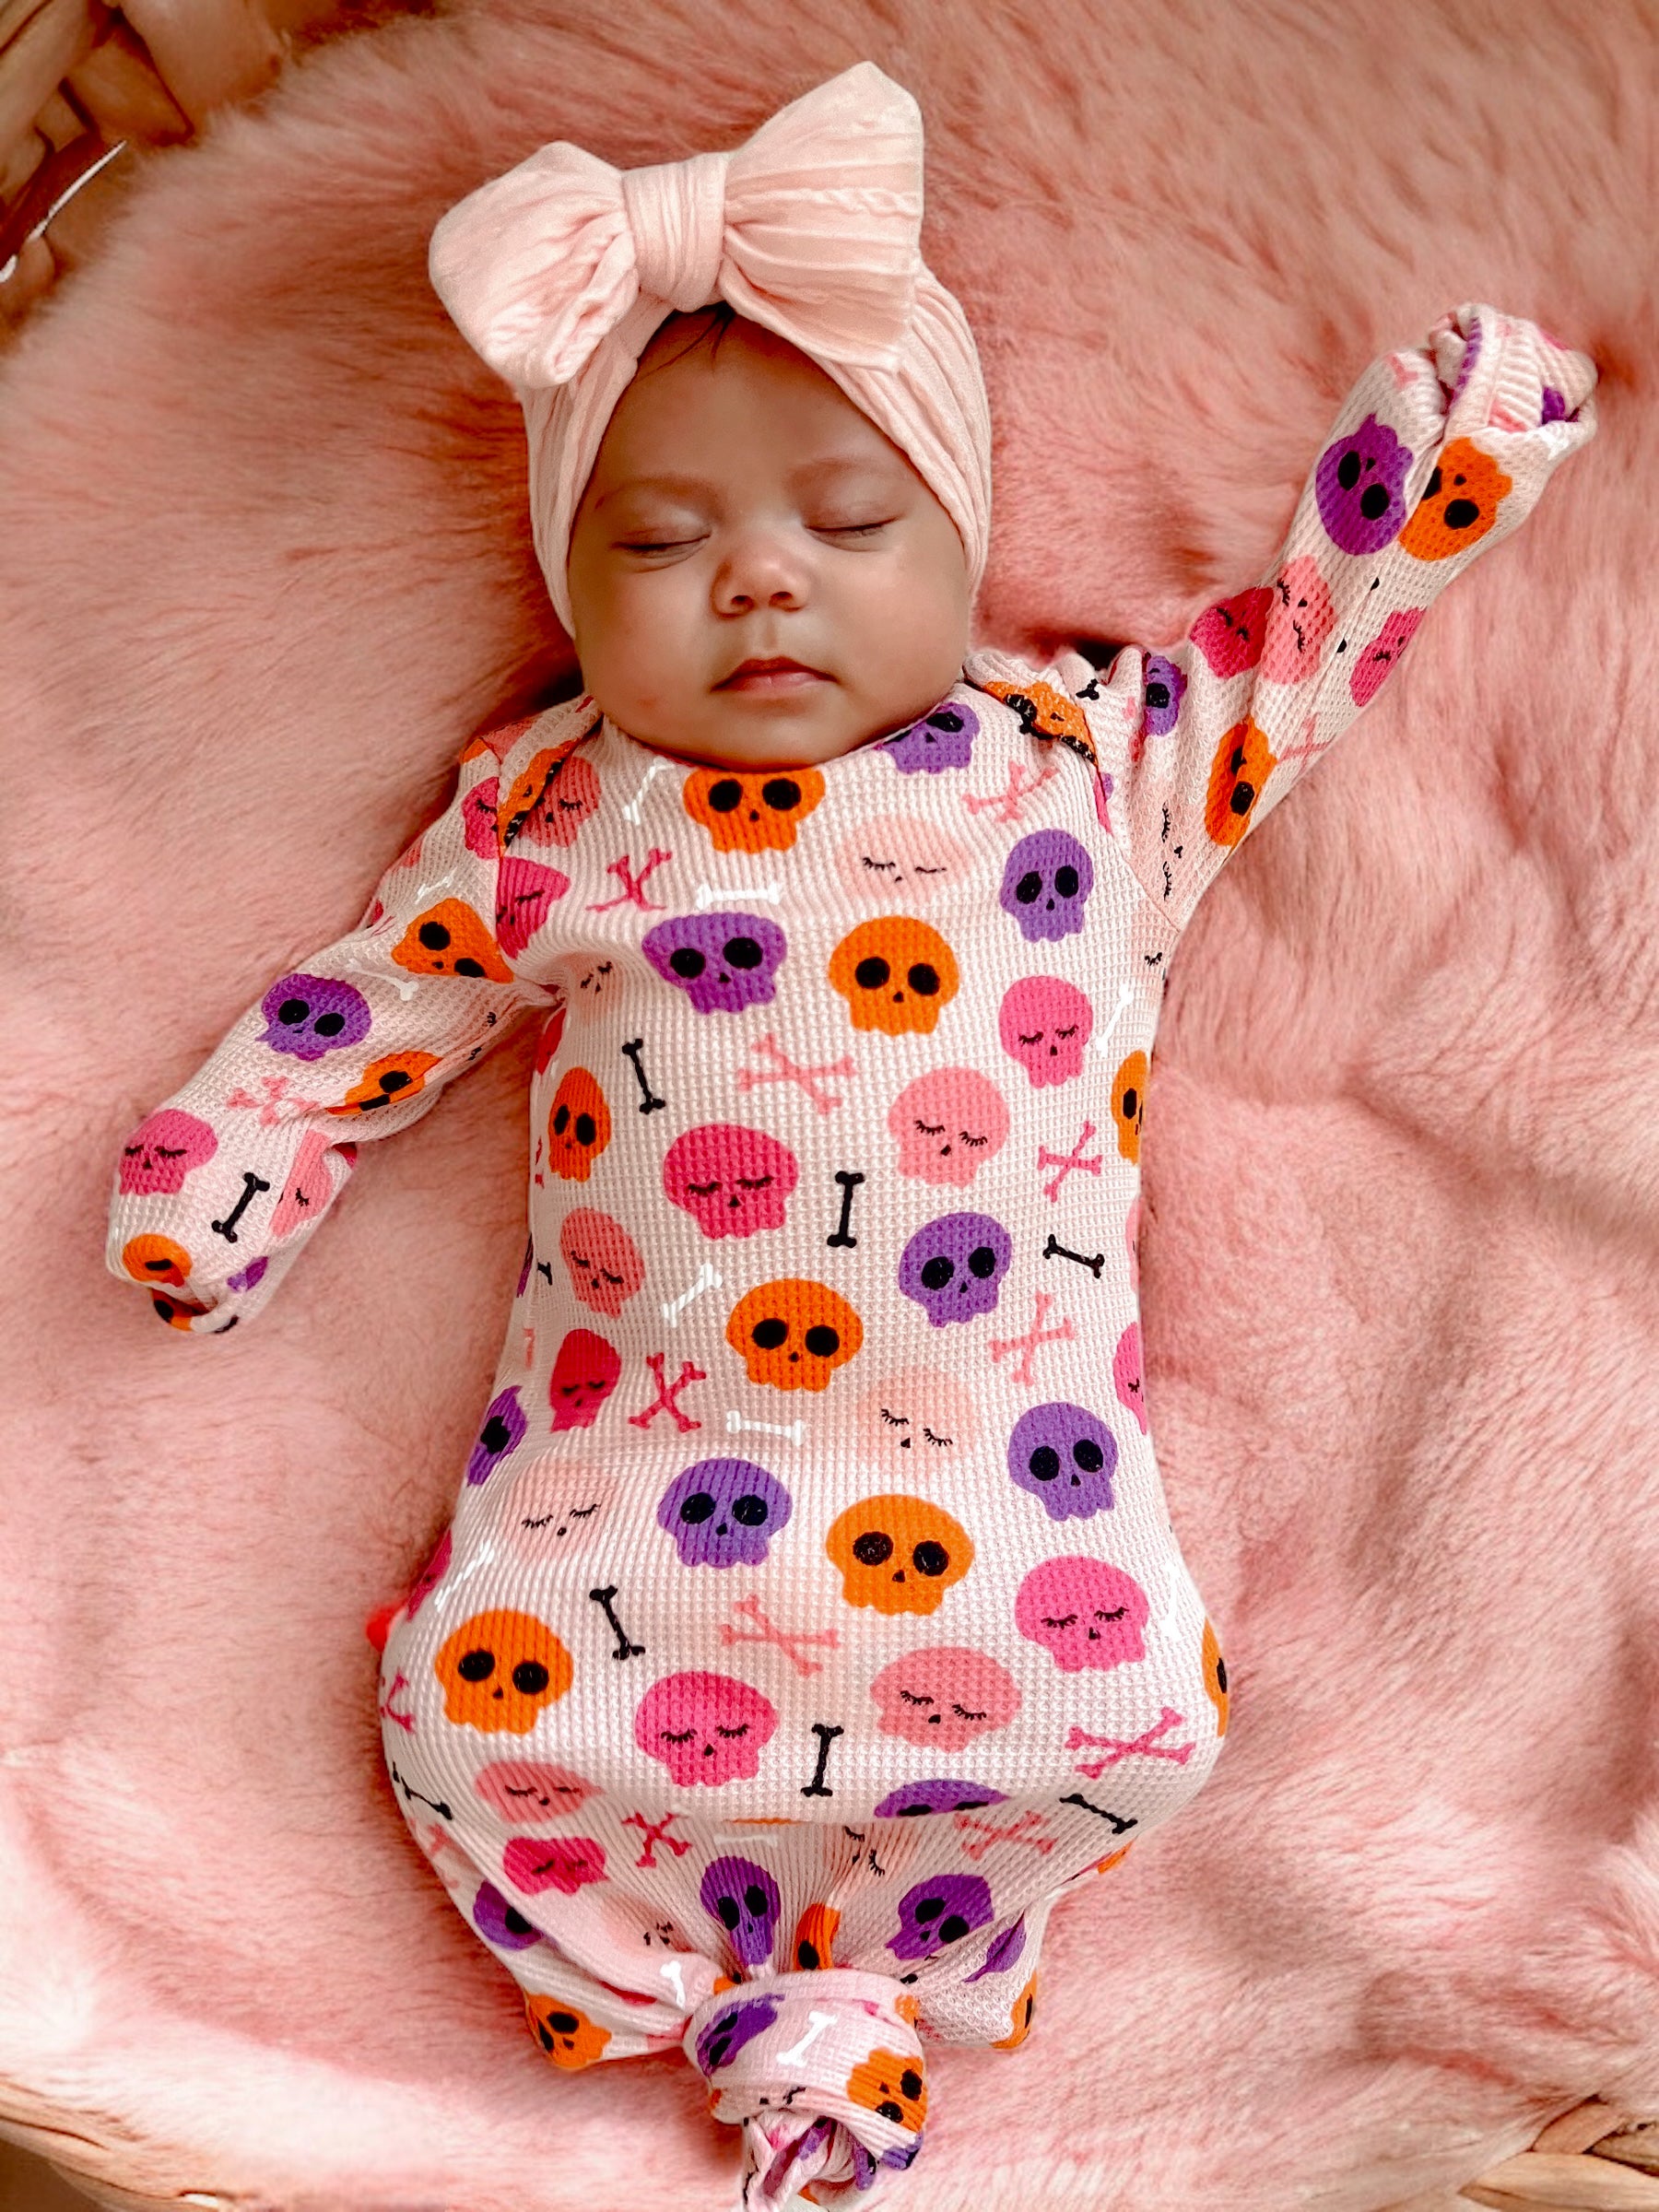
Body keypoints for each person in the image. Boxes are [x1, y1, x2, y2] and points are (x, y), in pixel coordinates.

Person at [102, 60, 1597, 2211]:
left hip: (998, 1487)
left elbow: (1303, 652)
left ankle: (875, 1994)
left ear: (965, 531)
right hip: (636, 1482)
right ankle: (707, 1981)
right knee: (470, 1701)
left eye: (848, 518)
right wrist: (226, 1164)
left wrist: (1435, 467)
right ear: (572, 577)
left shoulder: (1092, 765)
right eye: (663, 539)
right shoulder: (559, 809)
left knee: (1117, 1705)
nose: (764, 585)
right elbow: (376, 998)